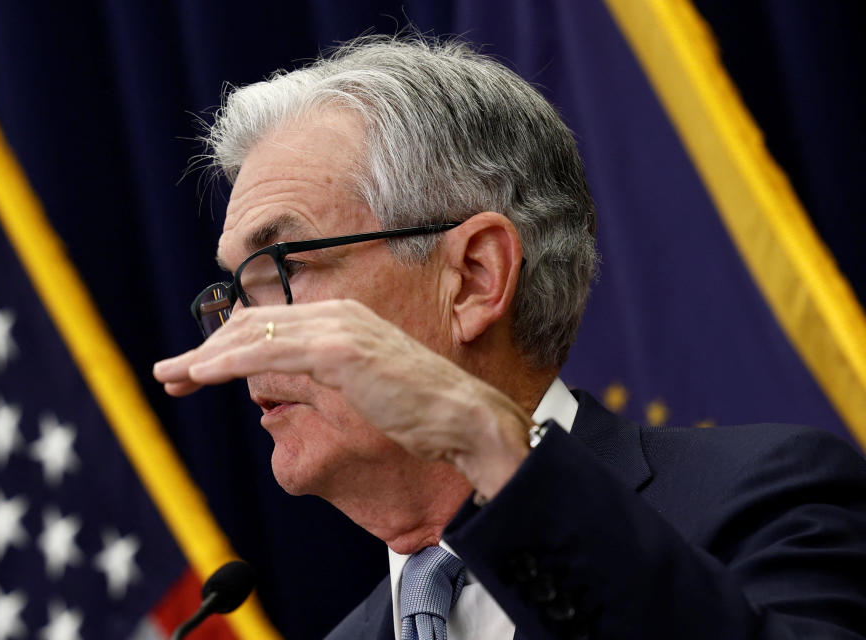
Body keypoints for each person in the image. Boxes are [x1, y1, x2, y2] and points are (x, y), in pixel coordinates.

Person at [153, 35, 866, 639]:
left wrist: (484, 443)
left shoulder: (766, 503)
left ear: (473, 276)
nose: (245, 332)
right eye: (234, 293)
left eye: (283, 266)